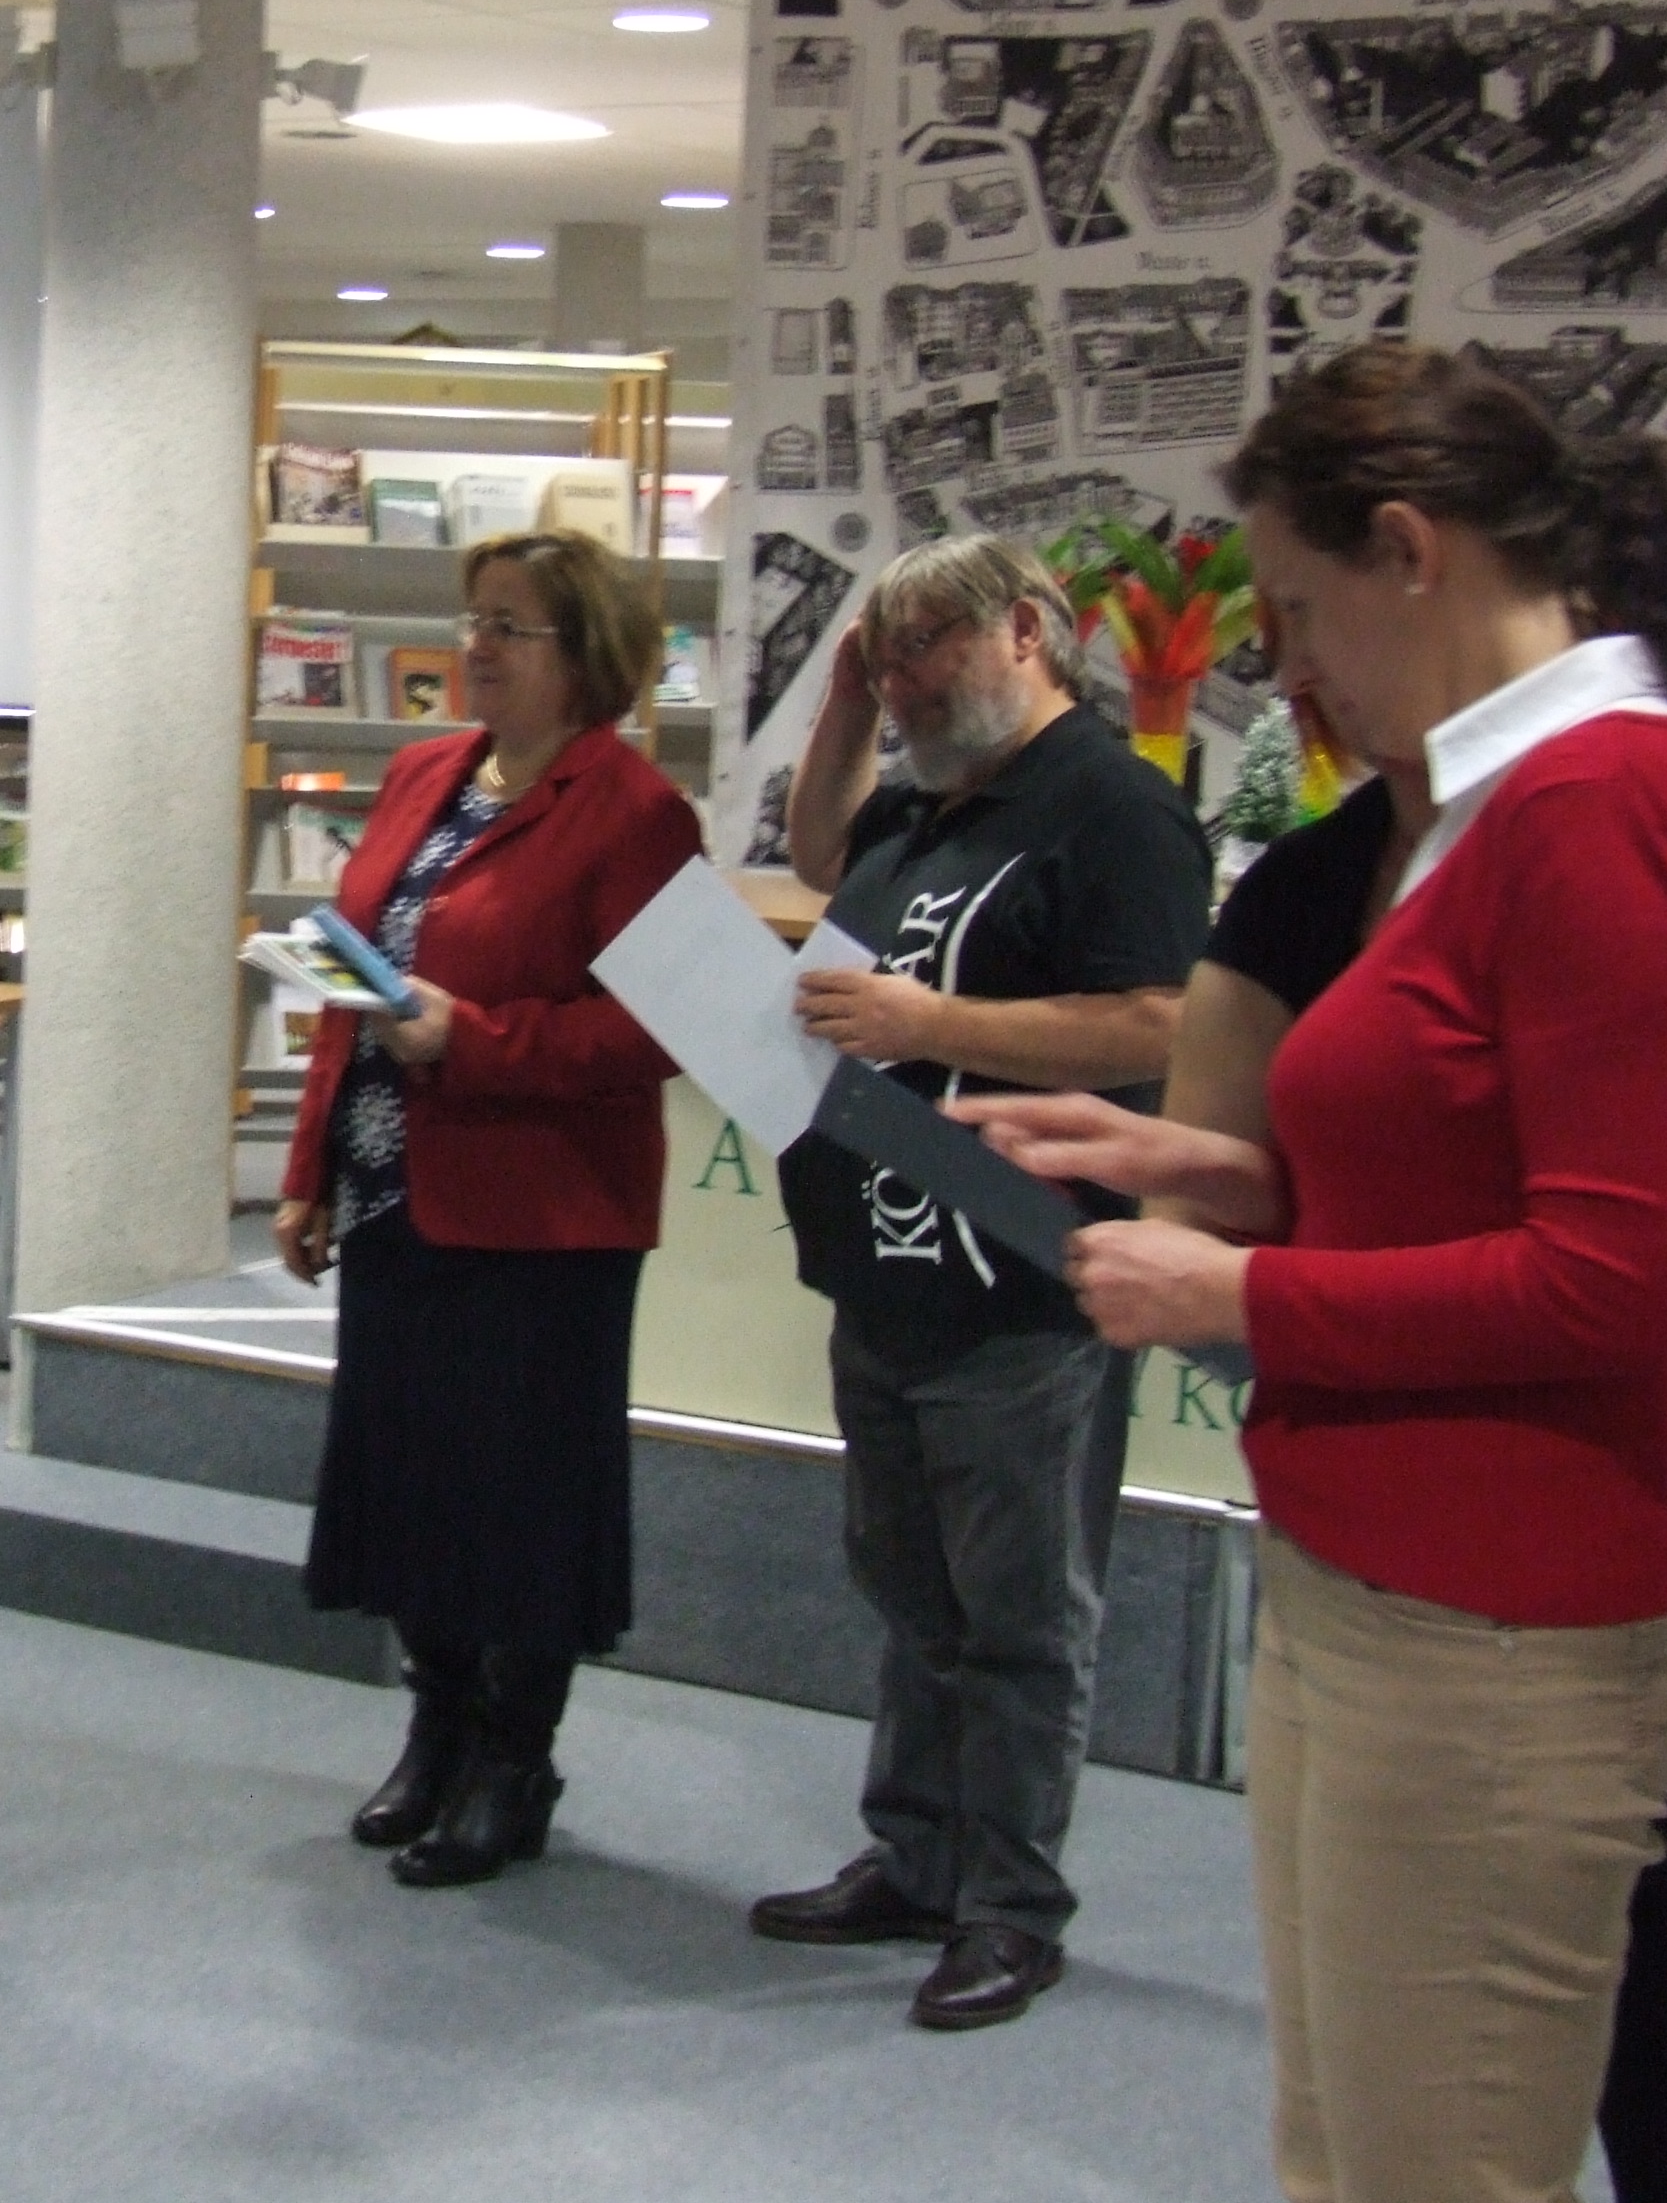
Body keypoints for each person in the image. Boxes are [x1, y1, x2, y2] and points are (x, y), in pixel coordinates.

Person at [961, 344, 1667, 2203]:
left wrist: (1238, 1298)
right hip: (1386, 1581)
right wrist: (1227, 1177)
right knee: (1344, 2151)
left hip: (1500, 1622)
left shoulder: (1599, 805)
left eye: (1303, 612)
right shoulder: (1491, 803)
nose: (1296, 669)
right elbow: (1464, 1174)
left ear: (1412, 551)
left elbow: (1609, 1280)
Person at [1180, 695, 1667, 2203]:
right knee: (1401, 2019)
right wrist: (1224, 1241)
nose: (1309, 681)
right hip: (1444, 1496)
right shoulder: (1307, 892)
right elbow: (1218, 1202)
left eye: (1322, 618)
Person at [744, 530, 1211, 2030]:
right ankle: (918, 1857)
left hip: (1019, 1273)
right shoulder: (930, 803)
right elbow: (822, 856)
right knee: (912, 1594)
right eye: (881, 661)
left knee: (1018, 1617)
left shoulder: (1112, 804)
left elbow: (1157, 1025)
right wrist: (838, 701)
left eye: (922, 650)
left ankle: (1010, 1904)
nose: (901, 683)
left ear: (1022, 630)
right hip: (886, 1270)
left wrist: (926, 1021)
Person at [274, 529, 700, 1887]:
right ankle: (437, 1727)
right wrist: (310, 1169)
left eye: (510, 627)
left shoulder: (636, 811)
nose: (476, 647)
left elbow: (657, 1032)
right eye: (474, 621)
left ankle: (514, 1760)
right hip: (395, 1188)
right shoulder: (424, 773)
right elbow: (357, 976)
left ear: (586, 653)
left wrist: (479, 1038)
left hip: (543, 1215)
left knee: (518, 1502)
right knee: (411, 1484)